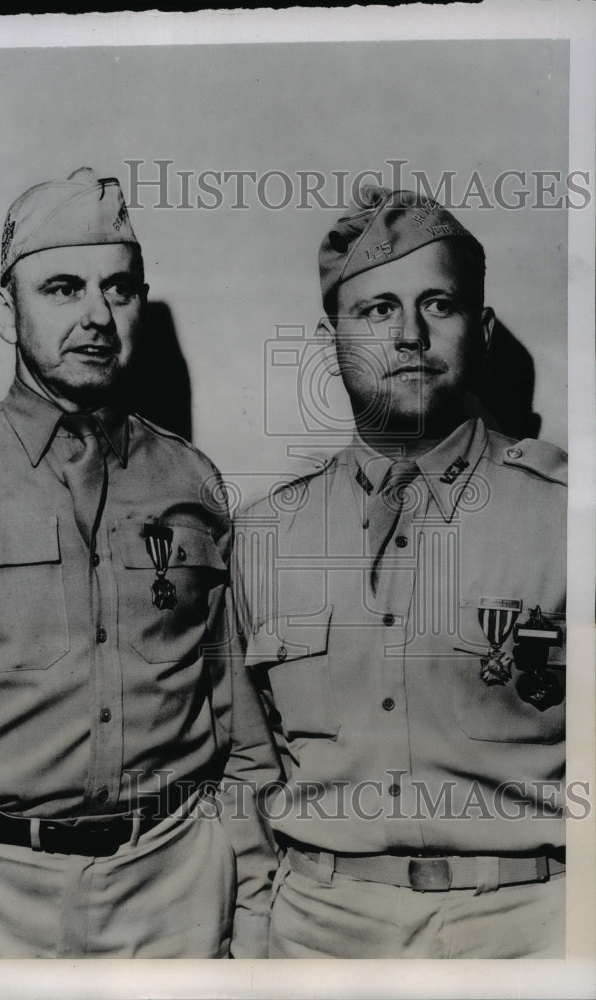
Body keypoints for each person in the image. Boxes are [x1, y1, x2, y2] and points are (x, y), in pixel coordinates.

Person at [0, 167, 279, 958]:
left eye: (118, 290)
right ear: (4, 310)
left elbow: (235, 722)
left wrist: (249, 890)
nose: (96, 316)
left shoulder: (191, 481)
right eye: (62, 288)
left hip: (171, 892)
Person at [235, 186, 566, 958]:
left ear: (478, 330)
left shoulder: (566, 521)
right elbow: (245, 762)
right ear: (333, 342)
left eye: (437, 305)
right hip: (318, 933)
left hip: (528, 929)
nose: (409, 334)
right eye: (376, 310)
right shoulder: (263, 536)